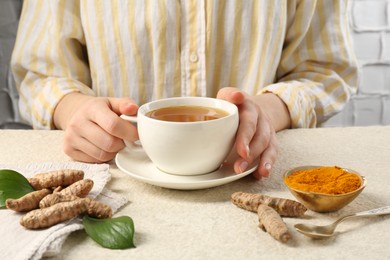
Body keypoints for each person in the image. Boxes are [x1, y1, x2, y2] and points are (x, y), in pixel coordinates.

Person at [11, 0, 358, 179]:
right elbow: (41, 72)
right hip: (113, 183)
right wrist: (74, 110)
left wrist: (265, 112)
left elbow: (326, 68)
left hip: (249, 177)